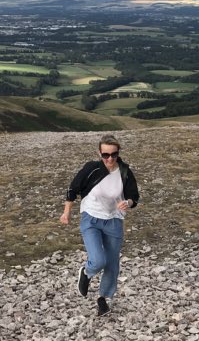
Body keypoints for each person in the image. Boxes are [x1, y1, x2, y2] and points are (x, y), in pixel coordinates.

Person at [60, 134, 140, 316]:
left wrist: (128, 203)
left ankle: (103, 299)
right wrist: (66, 212)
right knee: (98, 260)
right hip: (91, 218)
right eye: (105, 155)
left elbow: (134, 197)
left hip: (114, 221)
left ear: (118, 153)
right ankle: (87, 273)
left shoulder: (125, 171)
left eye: (114, 154)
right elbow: (73, 189)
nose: (110, 159)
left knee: (112, 265)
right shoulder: (92, 169)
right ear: (100, 153)